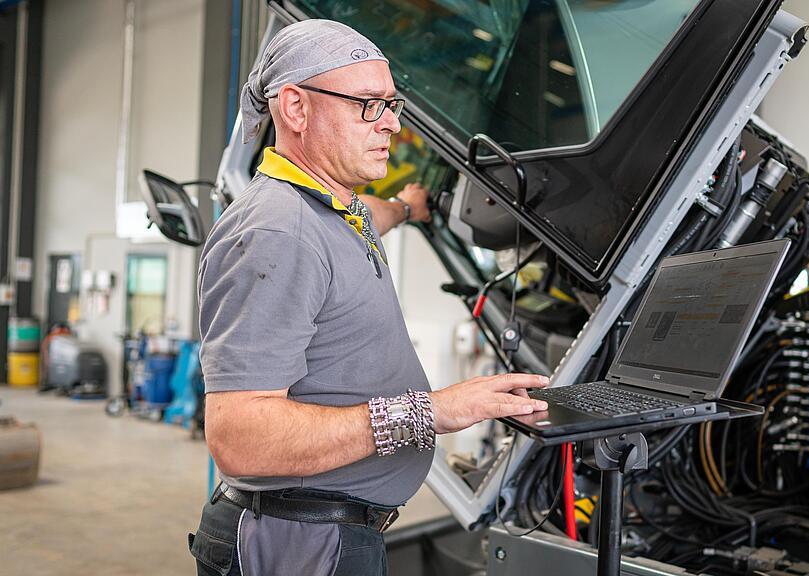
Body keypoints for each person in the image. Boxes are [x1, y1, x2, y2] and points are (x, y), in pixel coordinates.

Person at [189, 19, 549, 576]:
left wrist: (408, 207)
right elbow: (241, 440)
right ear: (296, 108)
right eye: (368, 105)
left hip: (325, 532)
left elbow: (368, 218)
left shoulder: (331, 207)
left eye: (393, 105)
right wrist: (431, 413)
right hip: (297, 544)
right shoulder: (276, 233)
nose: (391, 127)